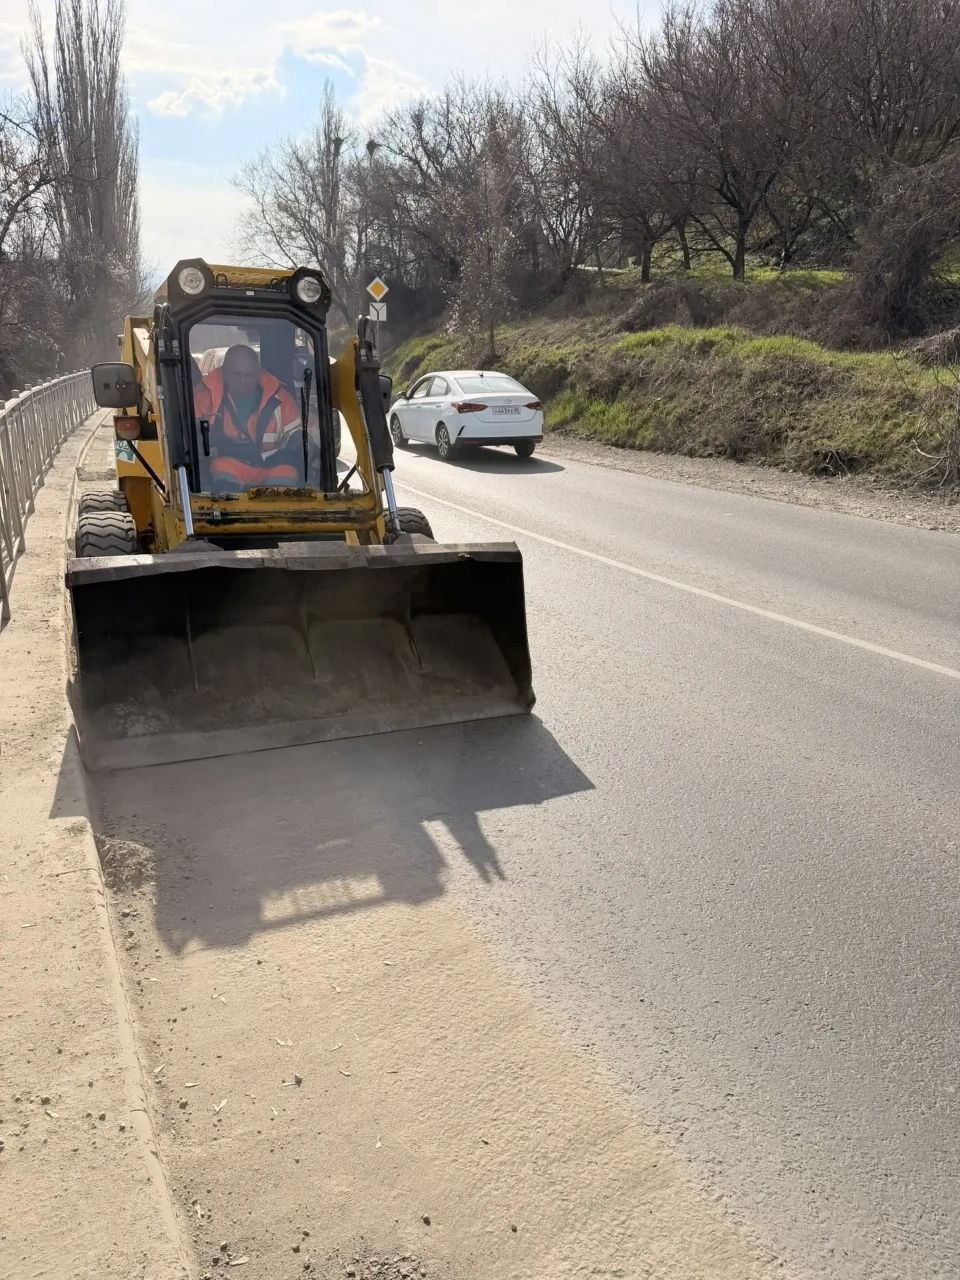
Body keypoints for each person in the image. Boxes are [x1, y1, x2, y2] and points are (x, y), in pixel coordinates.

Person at [194, 344, 302, 491]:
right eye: (236, 374)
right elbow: (194, 443)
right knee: (220, 467)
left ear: (258, 372)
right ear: (224, 371)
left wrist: (294, 450)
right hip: (230, 468)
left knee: (288, 472)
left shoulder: (281, 399)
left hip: (269, 467)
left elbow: (298, 438)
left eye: (248, 375)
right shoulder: (204, 396)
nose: (242, 381)